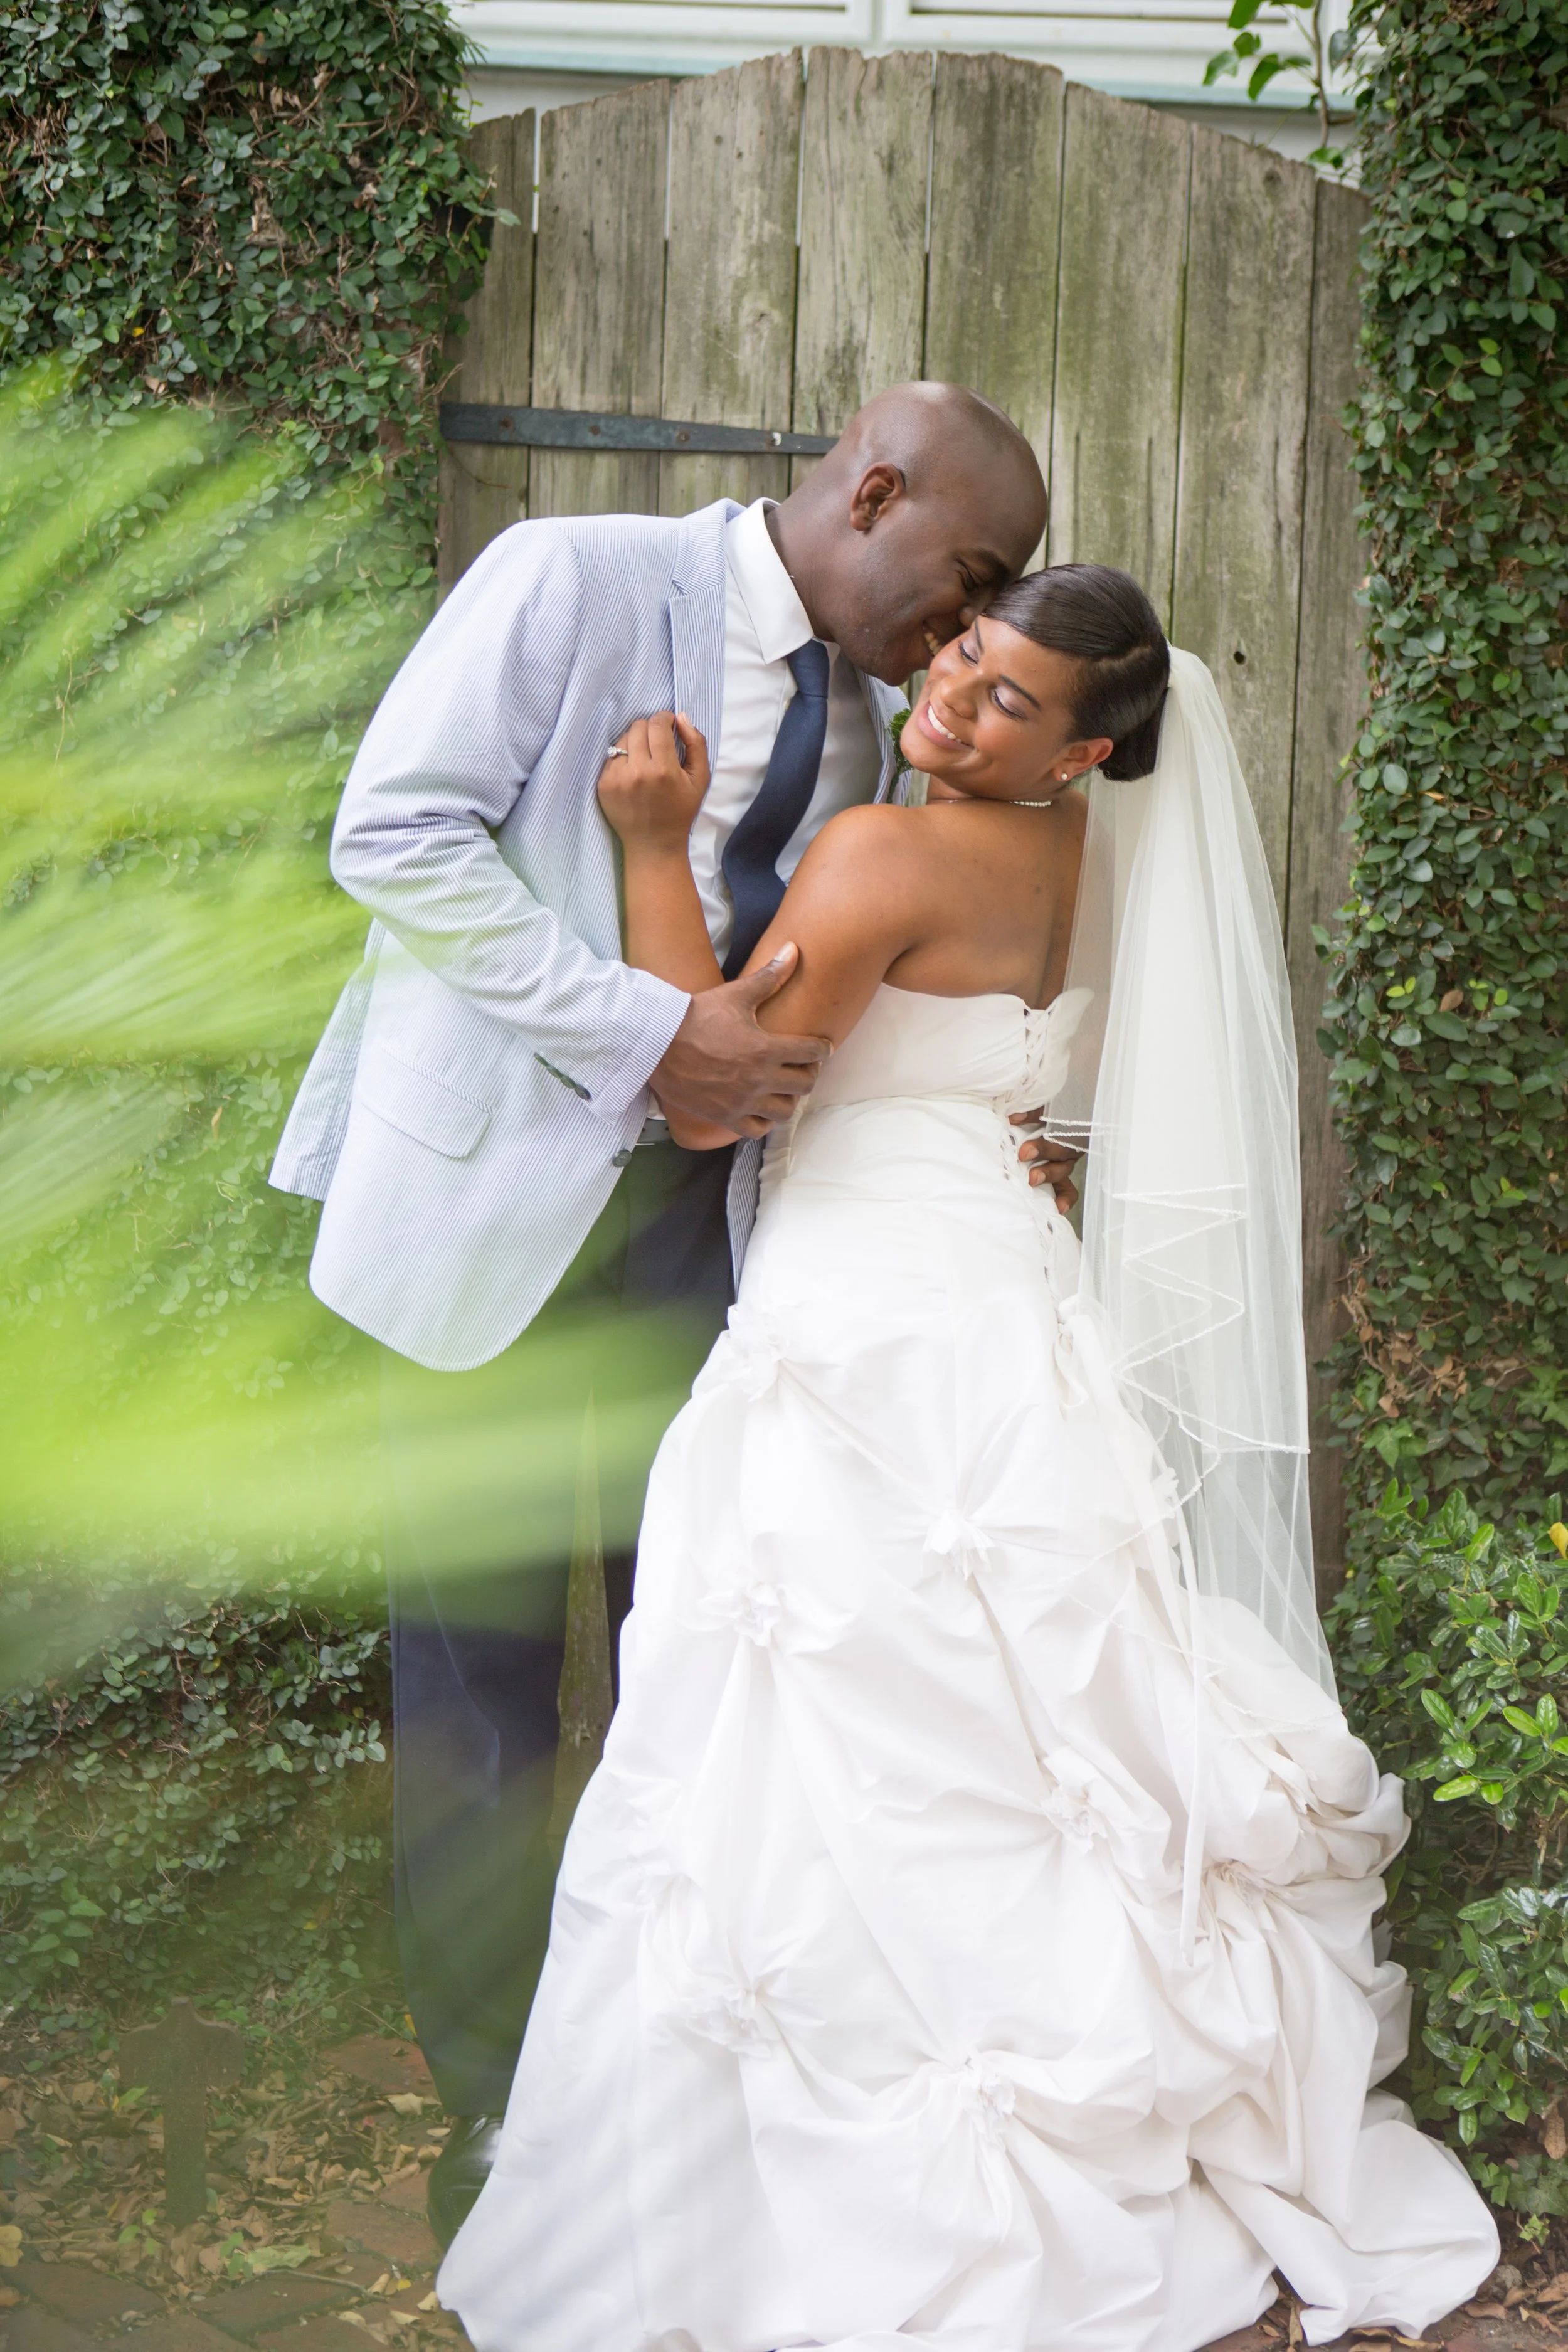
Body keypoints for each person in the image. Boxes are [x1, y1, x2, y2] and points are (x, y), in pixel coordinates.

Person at [436, 566, 1500, 2352]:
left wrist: (648, 835)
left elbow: (708, 1077)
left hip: (862, 1318)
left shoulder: (878, 854)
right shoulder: (1103, 873)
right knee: (1017, 1715)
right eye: (957, 659)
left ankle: (817, 2184)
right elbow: (1030, 1087)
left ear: (1082, 750)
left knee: (823, 1708)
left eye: (1005, 701)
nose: (948, 699)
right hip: (1008, 1302)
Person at [268, 383, 1074, 2238]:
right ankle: (490, 2100)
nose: (966, 631)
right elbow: (391, 837)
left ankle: (656, 2080)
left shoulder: (892, 716)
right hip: (481, 1223)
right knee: (473, 1693)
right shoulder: (569, 577)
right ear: (869, 491)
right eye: (964, 578)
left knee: (689, 1674)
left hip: (707, 1255)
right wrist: (646, 1034)